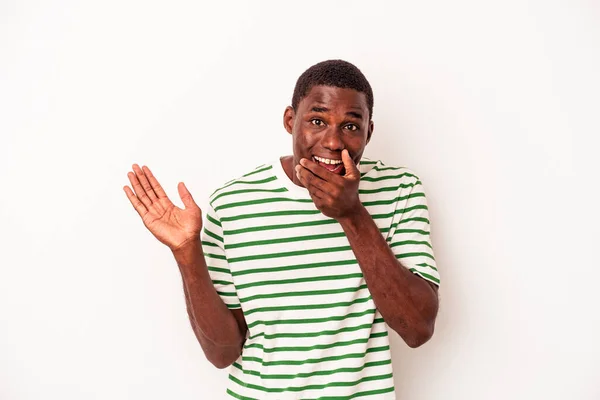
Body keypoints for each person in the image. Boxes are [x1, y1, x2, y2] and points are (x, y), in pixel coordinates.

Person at [123, 60, 440, 399]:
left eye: (350, 126)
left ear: (369, 132)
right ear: (291, 121)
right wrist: (187, 253)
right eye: (317, 121)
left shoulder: (399, 190)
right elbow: (222, 354)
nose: (333, 142)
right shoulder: (233, 203)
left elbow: (417, 329)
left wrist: (352, 215)